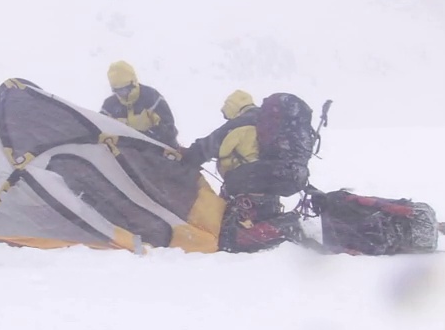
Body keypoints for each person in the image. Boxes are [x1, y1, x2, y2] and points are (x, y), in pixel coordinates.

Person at [181, 89, 301, 253]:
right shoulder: (268, 124)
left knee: (228, 239)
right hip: (269, 189)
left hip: (246, 189)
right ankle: (279, 227)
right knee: (258, 222)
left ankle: (284, 228)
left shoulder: (238, 125)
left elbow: (203, 149)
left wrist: (184, 157)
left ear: (232, 108)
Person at [100, 60, 180, 149]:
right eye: (118, 90)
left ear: (133, 83)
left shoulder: (151, 98)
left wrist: (145, 138)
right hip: (124, 154)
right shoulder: (109, 107)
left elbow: (169, 129)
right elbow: (98, 128)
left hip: (156, 151)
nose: (122, 93)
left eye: (125, 89)